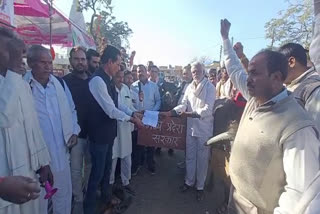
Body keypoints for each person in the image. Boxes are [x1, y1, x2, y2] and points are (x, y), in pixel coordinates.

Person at [221, 18, 320, 213]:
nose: (248, 79)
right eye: (248, 73)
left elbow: (299, 196)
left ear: (276, 78)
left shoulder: (297, 126)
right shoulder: (254, 98)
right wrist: (225, 39)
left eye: (255, 73)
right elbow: (234, 70)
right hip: (236, 200)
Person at [83, 45, 143, 214]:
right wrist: (131, 119)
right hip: (99, 136)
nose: (119, 66)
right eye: (118, 63)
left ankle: (106, 202)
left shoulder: (108, 80)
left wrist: (132, 112)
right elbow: (110, 110)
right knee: (97, 174)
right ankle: (89, 209)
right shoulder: (97, 81)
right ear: (109, 62)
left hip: (109, 135)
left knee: (107, 171)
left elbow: (118, 104)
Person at [0, 27, 52, 214]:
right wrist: (13, 70)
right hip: (6, 185)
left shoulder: (20, 84)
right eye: (10, 51)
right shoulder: (14, 79)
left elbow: (33, 127)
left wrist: (44, 162)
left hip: (29, 175)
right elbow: (4, 118)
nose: (17, 57)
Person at [25, 45, 80, 214]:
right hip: (35, 160)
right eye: (43, 62)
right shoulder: (23, 86)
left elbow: (71, 110)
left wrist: (74, 131)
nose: (48, 66)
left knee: (62, 198)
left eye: (50, 62)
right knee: (38, 202)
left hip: (61, 153)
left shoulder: (59, 84)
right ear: (30, 63)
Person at [161, 62, 215, 201]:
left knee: (202, 160)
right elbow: (184, 104)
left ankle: (200, 187)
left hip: (203, 128)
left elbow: (208, 109)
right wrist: (172, 112)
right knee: (190, 157)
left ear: (203, 71)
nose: (196, 73)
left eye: (198, 71)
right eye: (194, 71)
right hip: (191, 127)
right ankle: (188, 182)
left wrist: (191, 114)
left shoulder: (210, 87)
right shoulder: (189, 87)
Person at [63, 46, 92, 214]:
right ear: (70, 61)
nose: (80, 62)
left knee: (90, 167)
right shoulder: (64, 82)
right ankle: (78, 199)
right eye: (77, 59)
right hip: (75, 135)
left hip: (93, 134)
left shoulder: (94, 80)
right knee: (75, 169)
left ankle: (88, 195)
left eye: (83, 59)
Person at [279, 43, 320, 130]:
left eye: (278, 66)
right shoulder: (288, 85)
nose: (277, 72)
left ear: (291, 62)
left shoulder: (314, 88)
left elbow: (315, 130)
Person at [109, 69, 136, 194]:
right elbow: (117, 106)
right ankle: (110, 184)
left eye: (121, 76)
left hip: (125, 127)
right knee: (113, 158)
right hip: (113, 128)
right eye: (117, 76)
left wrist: (138, 113)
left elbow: (129, 106)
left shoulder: (126, 88)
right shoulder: (108, 88)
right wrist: (133, 114)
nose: (120, 79)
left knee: (126, 156)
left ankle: (126, 182)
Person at [131, 64, 161, 175]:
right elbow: (130, 103)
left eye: (142, 71)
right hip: (138, 118)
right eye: (138, 71)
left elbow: (158, 101)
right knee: (138, 143)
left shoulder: (153, 86)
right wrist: (136, 113)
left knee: (151, 143)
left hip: (151, 117)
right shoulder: (132, 86)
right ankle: (137, 164)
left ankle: (150, 163)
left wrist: (152, 112)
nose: (140, 73)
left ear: (146, 72)